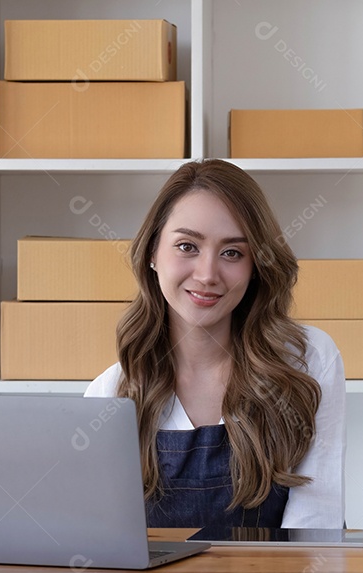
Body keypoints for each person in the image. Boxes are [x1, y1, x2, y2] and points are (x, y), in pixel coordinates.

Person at [84, 159, 346, 529]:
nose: (207, 275)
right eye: (187, 246)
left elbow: (316, 522)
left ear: (256, 266)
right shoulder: (109, 394)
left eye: (232, 252)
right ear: (152, 254)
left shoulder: (306, 361)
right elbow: (103, 543)